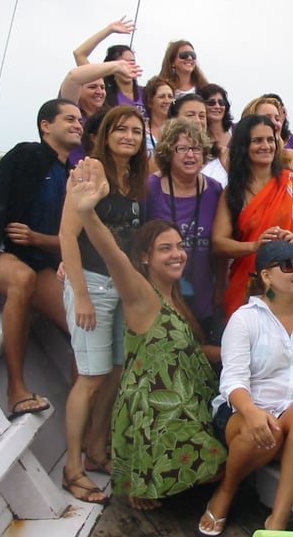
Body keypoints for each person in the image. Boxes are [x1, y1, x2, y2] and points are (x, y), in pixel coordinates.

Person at [70, 158, 226, 510]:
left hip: (187, 407)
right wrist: (87, 213)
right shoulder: (142, 294)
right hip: (156, 415)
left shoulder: (177, 298)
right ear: (144, 257)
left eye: (179, 246)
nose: (177, 254)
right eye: (165, 249)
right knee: (222, 468)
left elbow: (196, 352)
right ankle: (147, 477)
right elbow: (112, 256)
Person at [0, 98, 79, 418]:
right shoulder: (27, 155)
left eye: (80, 119)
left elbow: (70, 239)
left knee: (83, 329)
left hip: (38, 262)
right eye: (69, 118)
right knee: (22, 278)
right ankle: (15, 390)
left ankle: (89, 420)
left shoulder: (72, 174)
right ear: (46, 126)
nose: (78, 124)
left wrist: (39, 240)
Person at [199, 241, 293, 534]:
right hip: (242, 413)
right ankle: (227, 490)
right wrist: (253, 412)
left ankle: (278, 518)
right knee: (268, 428)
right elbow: (233, 381)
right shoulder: (245, 318)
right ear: (266, 276)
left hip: (289, 415)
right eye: (289, 266)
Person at [59, 105, 148, 504]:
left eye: (136, 130)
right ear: (106, 132)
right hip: (91, 286)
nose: (129, 136)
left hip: (121, 286)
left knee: (113, 370)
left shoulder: (135, 178)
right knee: (90, 378)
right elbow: (67, 235)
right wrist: (79, 294)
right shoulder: (90, 171)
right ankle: (72, 469)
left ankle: (97, 451)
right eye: (121, 129)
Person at [212, 114, 293, 318]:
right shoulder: (233, 192)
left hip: (289, 279)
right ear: (244, 146)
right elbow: (219, 242)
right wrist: (254, 246)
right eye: (257, 140)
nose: (266, 146)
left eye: (270, 140)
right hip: (246, 286)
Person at [145, 118, 225, 348]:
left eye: (196, 149)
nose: (190, 155)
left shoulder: (215, 190)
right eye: (182, 149)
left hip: (203, 293)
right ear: (169, 152)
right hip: (160, 293)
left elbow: (218, 245)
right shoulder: (151, 188)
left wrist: (220, 287)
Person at [73, 17, 146, 116]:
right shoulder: (102, 91)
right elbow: (79, 54)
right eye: (124, 62)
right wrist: (109, 30)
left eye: (132, 61)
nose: (129, 66)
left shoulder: (145, 92)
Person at [241, 96, 293, 177]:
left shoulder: (291, 158)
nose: (275, 123)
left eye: (277, 118)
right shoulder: (237, 165)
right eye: (267, 118)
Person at [198, 83, 233, 187]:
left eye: (221, 102)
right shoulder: (198, 139)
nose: (217, 106)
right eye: (211, 102)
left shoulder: (237, 131)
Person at [142, 76, 174, 156]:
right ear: (150, 102)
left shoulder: (179, 129)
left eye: (170, 96)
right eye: (162, 97)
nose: (167, 101)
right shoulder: (141, 130)